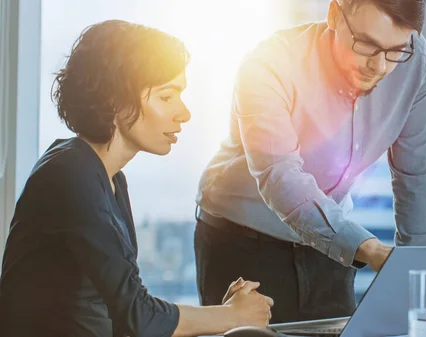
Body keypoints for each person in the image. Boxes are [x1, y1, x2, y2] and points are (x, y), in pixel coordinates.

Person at [0, 20, 273, 337]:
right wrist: (229, 316)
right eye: (167, 97)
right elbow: (139, 318)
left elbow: (125, 314)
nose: (184, 113)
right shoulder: (70, 174)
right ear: (115, 99)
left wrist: (225, 315)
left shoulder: (111, 181)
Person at [195, 0, 426, 323]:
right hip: (242, 238)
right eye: (366, 44)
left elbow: (417, 176)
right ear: (335, 15)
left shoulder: (414, 61)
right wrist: (369, 248)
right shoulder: (269, 64)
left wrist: (416, 276)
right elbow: (280, 176)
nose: (379, 66)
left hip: (333, 242)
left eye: (395, 50)